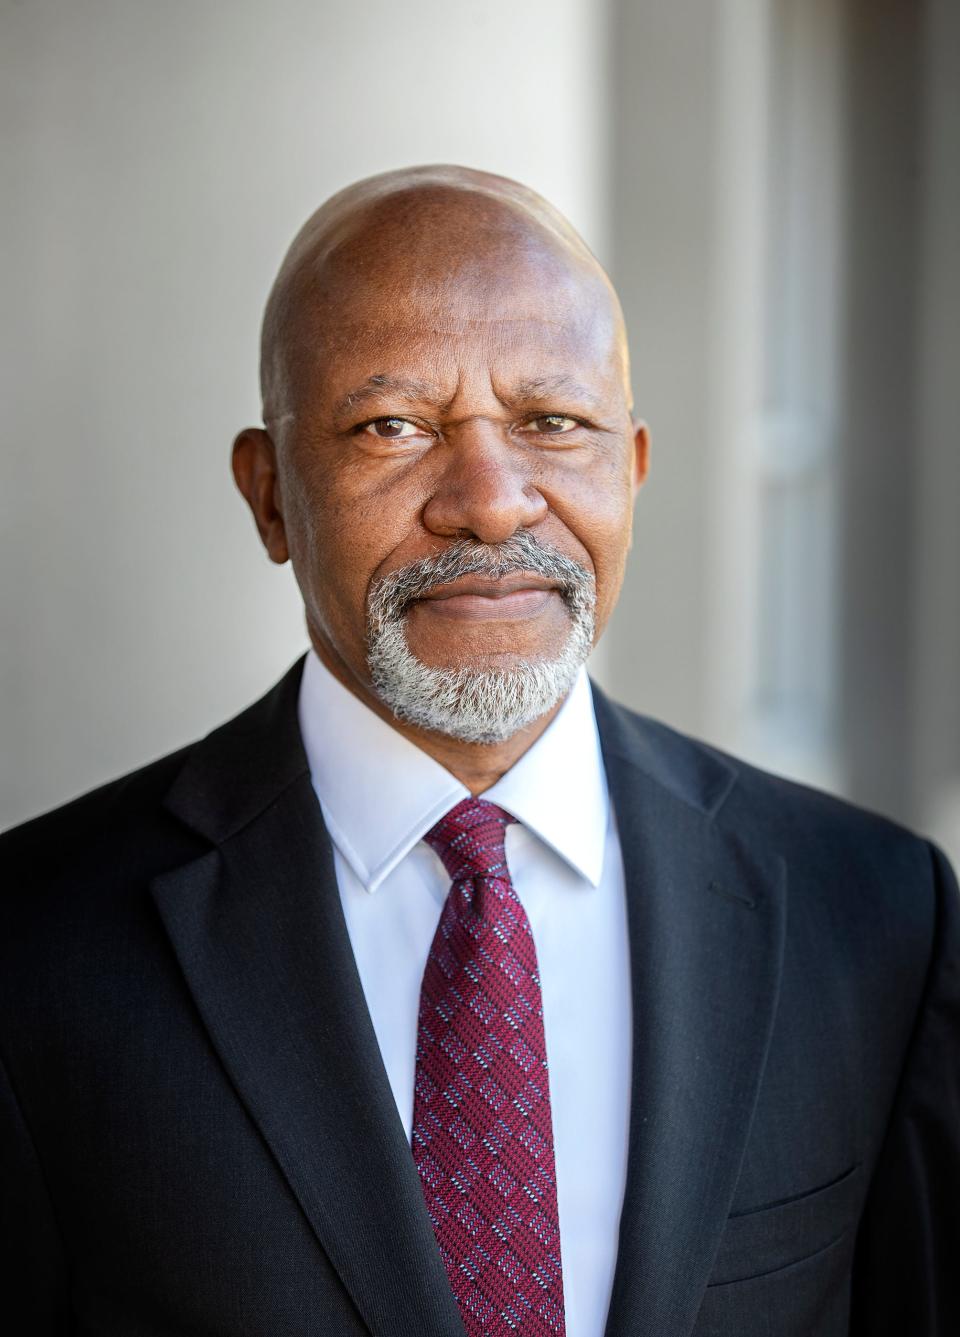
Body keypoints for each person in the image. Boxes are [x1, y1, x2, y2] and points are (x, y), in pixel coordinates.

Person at [1, 165, 957, 1337]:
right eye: (391, 426)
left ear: (634, 468)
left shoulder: (874, 916)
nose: (494, 501)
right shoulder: (34, 947)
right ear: (270, 497)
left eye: (553, 422)